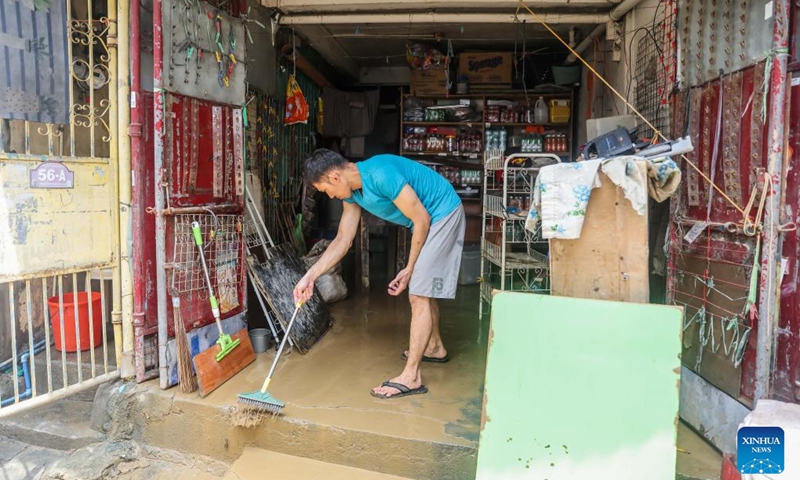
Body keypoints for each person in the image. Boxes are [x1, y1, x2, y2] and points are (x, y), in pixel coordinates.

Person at [293, 149, 465, 399]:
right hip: (427, 219)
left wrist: (409, 268)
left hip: (443, 214)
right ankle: (435, 347)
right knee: (422, 289)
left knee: (418, 293)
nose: (329, 196)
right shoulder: (353, 194)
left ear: (334, 177)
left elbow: (422, 220)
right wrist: (310, 276)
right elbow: (343, 239)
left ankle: (412, 376)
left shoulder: (381, 173)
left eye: (325, 190)